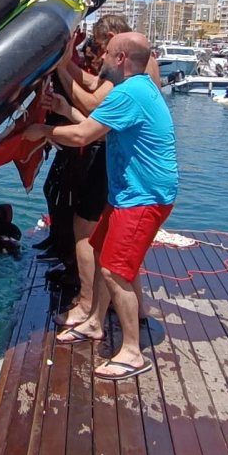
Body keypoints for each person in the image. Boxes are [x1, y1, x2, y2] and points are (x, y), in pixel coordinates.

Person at [25, 32, 178, 381]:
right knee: (98, 249)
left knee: (116, 271)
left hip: (145, 197)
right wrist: (64, 111)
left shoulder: (129, 92)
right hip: (128, 192)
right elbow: (100, 131)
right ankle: (94, 321)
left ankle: (132, 352)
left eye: (107, 53)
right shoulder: (140, 88)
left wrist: (41, 130)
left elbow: (81, 137)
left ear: (121, 58)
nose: (101, 59)